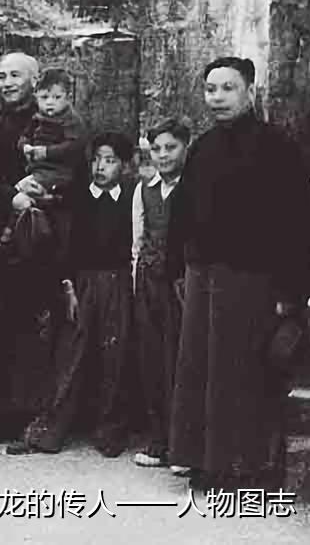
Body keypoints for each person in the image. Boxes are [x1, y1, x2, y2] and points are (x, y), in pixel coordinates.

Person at [166, 56, 310, 489]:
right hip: (203, 277)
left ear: (250, 91)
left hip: (252, 280)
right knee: (199, 370)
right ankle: (204, 461)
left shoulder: (277, 147)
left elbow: (295, 223)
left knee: (242, 373)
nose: (217, 97)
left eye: (228, 88)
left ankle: (243, 467)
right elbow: (183, 212)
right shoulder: (203, 148)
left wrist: (291, 291)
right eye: (210, 89)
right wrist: (178, 267)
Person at [8, 132, 136, 457]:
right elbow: (66, 246)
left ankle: (110, 429)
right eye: (97, 160)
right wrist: (69, 286)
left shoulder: (131, 197)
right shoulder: (79, 197)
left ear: (124, 165)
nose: (101, 167)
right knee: (71, 354)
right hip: (81, 282)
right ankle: (53, 428)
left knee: (115, 356)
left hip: (118, 281)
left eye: (110, 161)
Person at [0, 51, 61, 445]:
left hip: (38, 239)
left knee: (31, 327)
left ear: (35, 81)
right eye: (2, 76)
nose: (6, 83)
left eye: (15, 75)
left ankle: (31, 415)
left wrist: (43, 195)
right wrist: (9, 198)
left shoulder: (52, 127)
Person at [131, 117, 191, 469]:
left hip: (181, 284)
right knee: (152, 361)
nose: (163, 155)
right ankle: (158, 440)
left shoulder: (193, 187)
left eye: (171, 147)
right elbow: (137, 239)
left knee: (180, 361)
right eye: (156, 149)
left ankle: (184, 447)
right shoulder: (145, 190)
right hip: (149, 282)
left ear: (185, 147)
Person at [15, 67, 87, 207]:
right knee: (20, 197)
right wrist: (25, 147)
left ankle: (42, 202)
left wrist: (47, 152)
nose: (50, 102)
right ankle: (33, 211)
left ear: (68, 97)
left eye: (57, 97)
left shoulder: (70, 120)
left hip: (58, 172)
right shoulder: (37, 118)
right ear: (36, 97)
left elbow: (74, 146)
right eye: (44, 97)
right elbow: (25, 136)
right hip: (37, 169)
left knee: (21, 193)